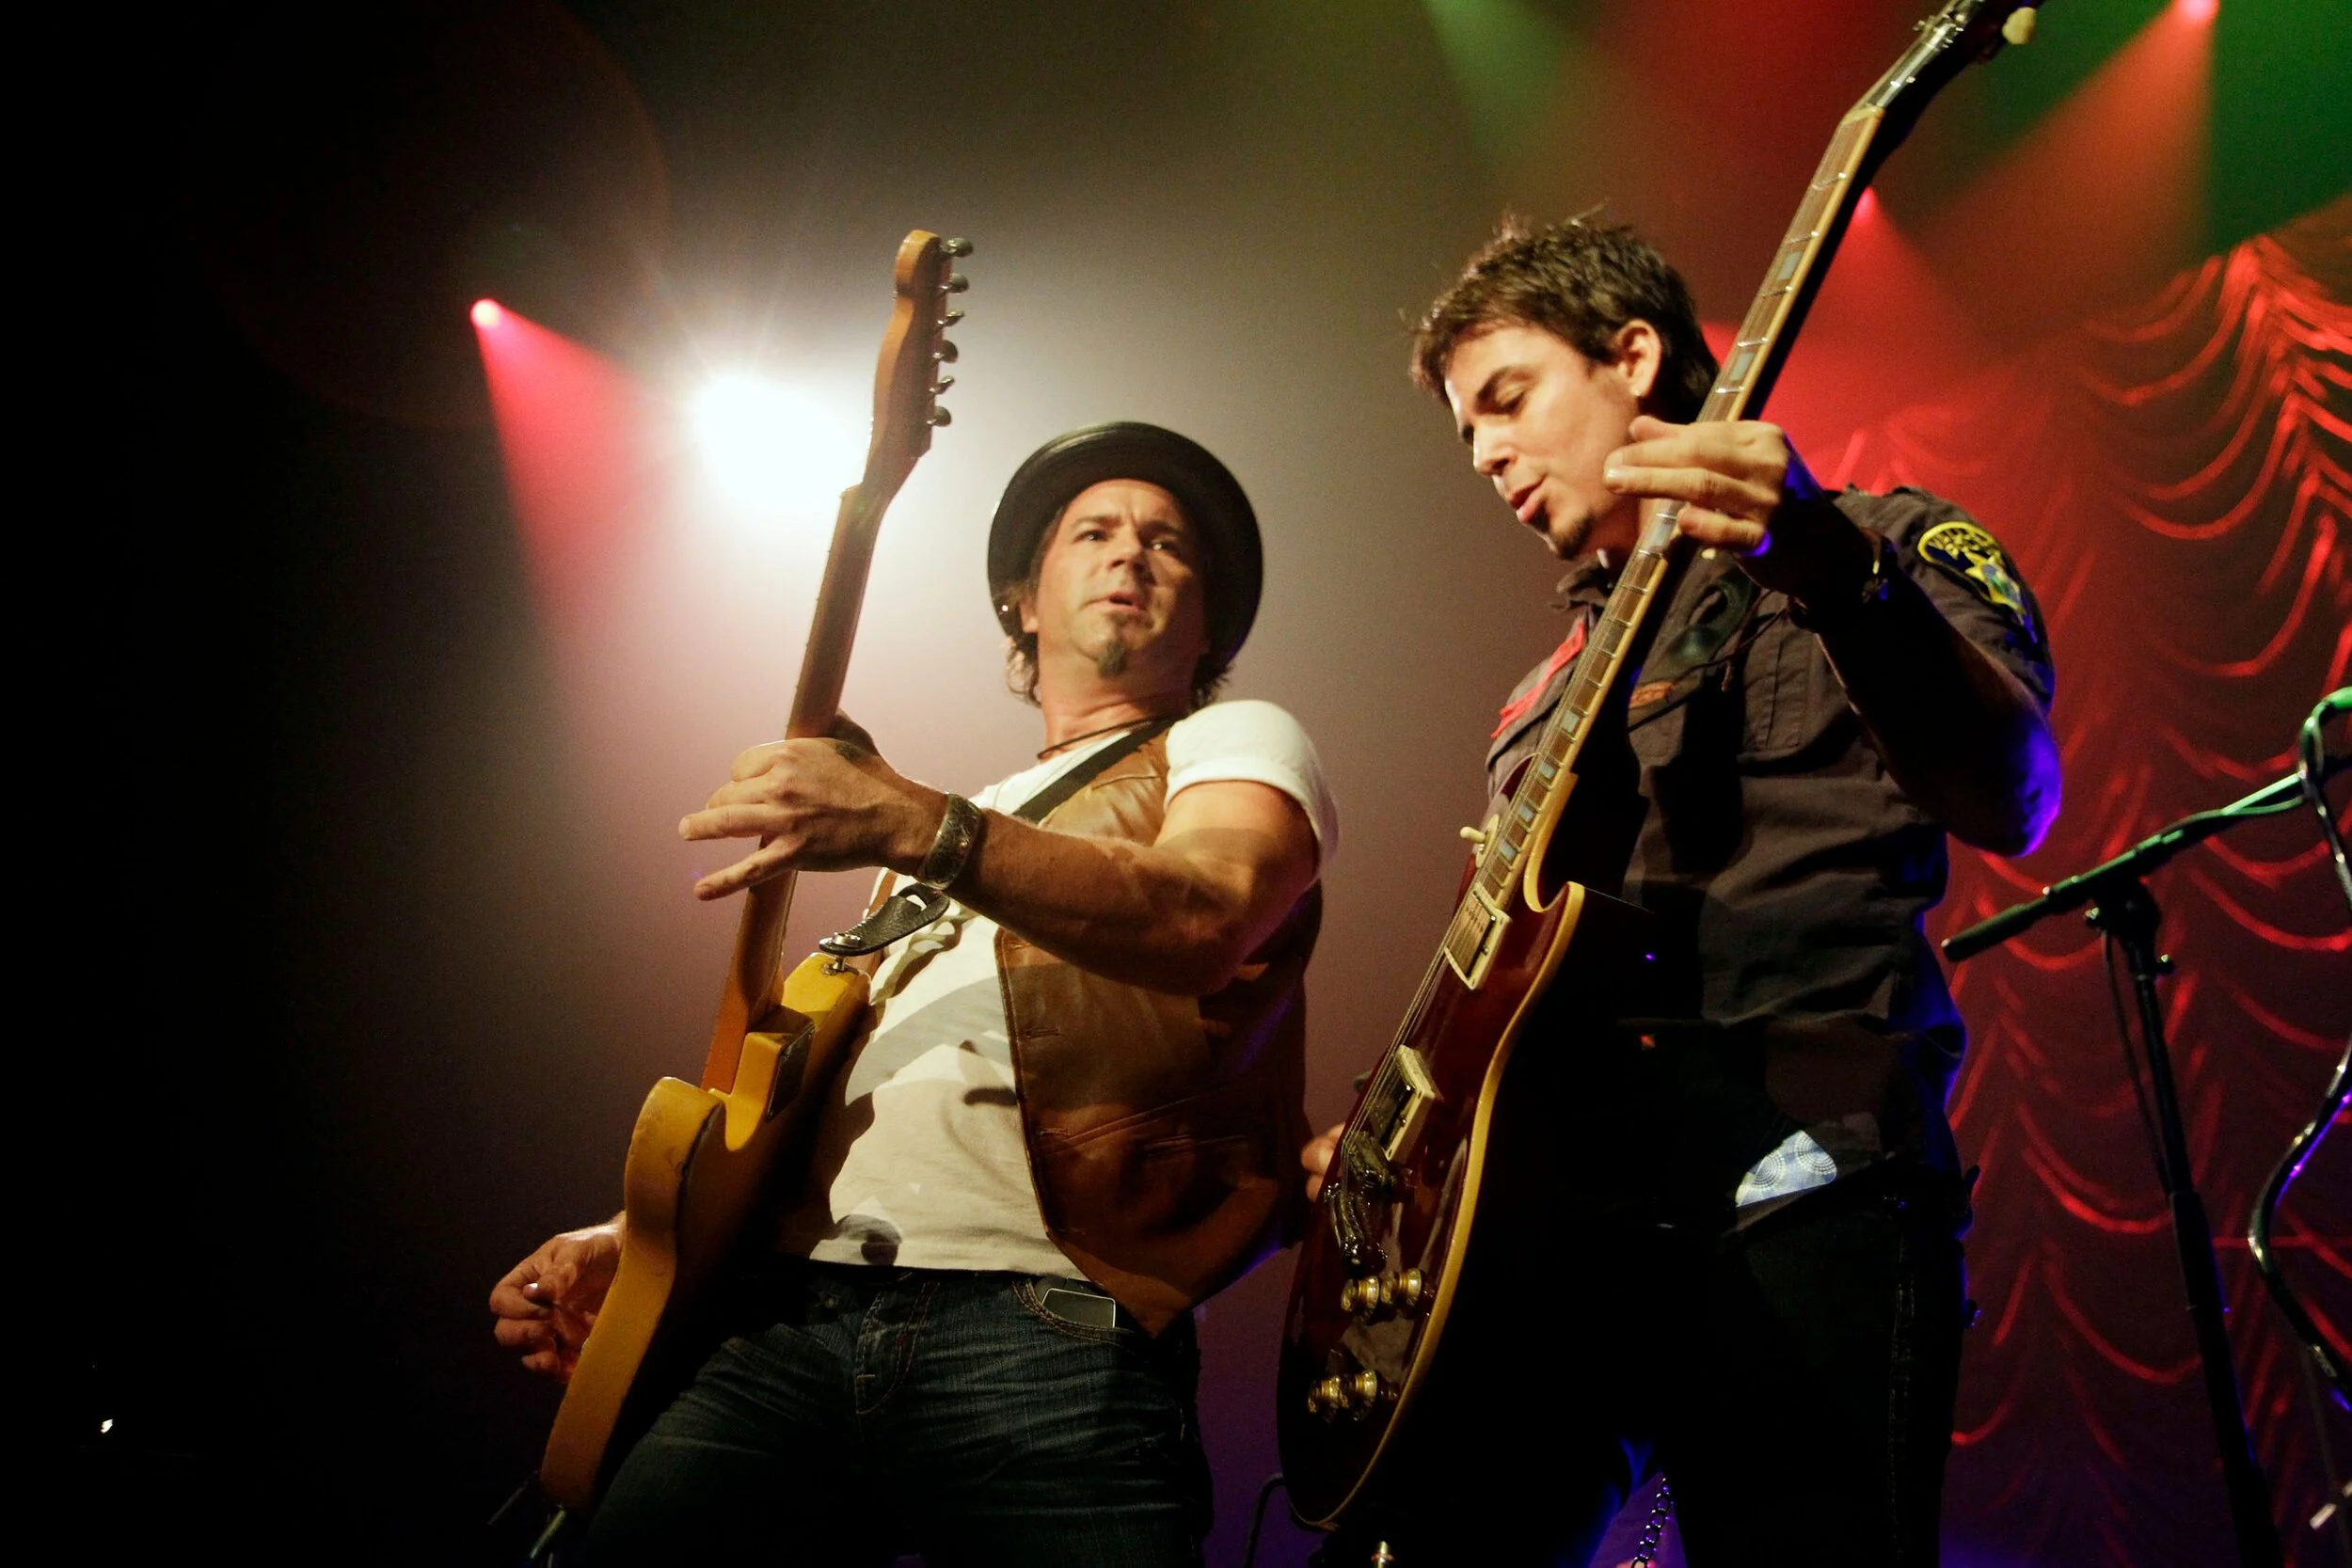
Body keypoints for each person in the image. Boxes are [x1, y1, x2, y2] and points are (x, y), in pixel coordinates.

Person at [1303, 218, 2059, 1565]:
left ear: (1635, 357)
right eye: (1467, 429)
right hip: (1557, 1223)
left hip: (1804, 1168)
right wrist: (1402, 1152)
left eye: (1508, 398)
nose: (1483, 452)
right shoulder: (1532, 707)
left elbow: (2016, 794)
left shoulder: (1882, 541)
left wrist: (1832, 565)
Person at [494, 422, 1338, 1566]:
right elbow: (801, 1099)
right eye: (1092, 532)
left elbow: (1207, 908)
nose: (1130, 553)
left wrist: (916, 820)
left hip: (1049, 1328)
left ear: (1209, 623)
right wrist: (641, 1238)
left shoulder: (1231, 738)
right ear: (1020, 603)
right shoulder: (929, 847)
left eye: (1167, 542)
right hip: (785, 1323)